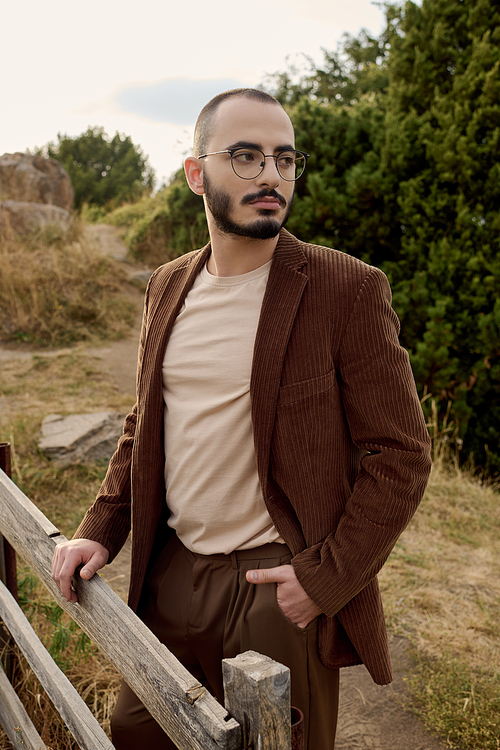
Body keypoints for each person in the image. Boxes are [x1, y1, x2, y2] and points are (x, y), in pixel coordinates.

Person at [51, 88, 432, 749]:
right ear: (197, 173)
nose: (270, 176)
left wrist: (325, 578)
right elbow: (148, 422)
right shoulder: (168, 284)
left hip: (273, 585)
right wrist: (101, 528)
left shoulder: (345, 288)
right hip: (171, 572)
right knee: (138, 734)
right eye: (247, 156)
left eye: (285, 159)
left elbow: (401, 456)